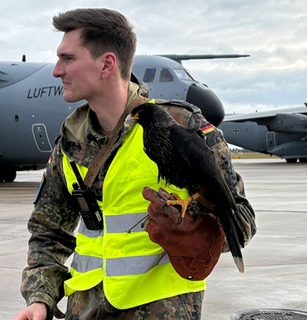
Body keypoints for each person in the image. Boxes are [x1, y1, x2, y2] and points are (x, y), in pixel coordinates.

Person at [14, 8, 255, 320]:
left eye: (68, 58)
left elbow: (241, 217)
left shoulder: (182, 125)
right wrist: (40, 299)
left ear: (107, 64)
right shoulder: (71, 142)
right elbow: (47, 232)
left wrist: (196, 227)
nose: (56, 70)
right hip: (84, 313)